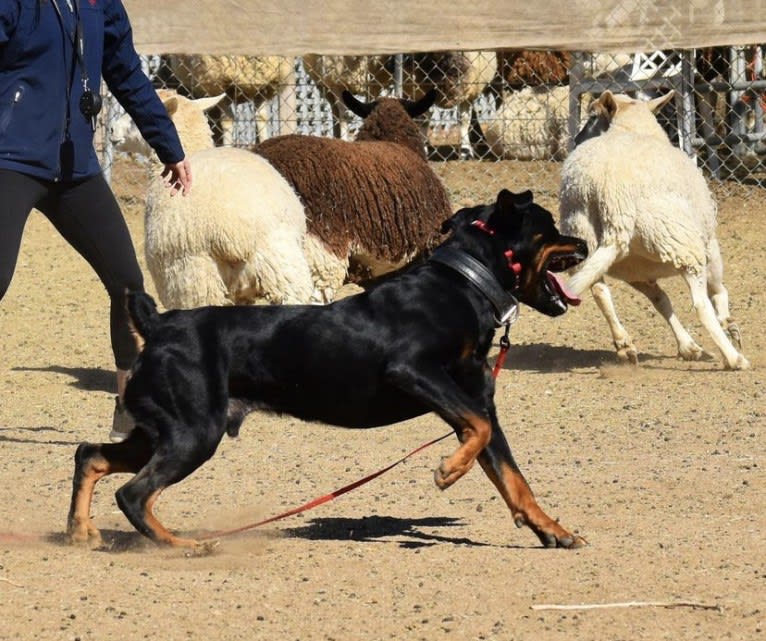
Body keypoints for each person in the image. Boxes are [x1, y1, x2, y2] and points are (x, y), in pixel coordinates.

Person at [0, 0, 192, 441]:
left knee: (127, 284)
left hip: (75, 169)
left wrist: (170, 146)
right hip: (10, 157)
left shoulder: (99, 4)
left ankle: (132, 412)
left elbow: (126, 74)